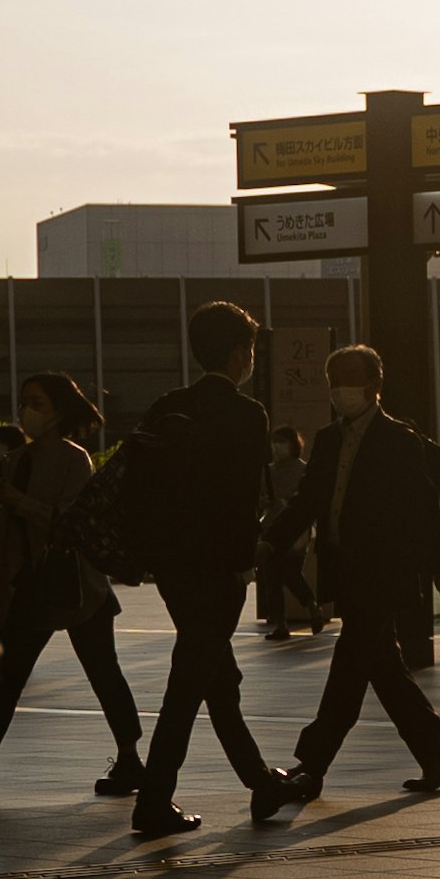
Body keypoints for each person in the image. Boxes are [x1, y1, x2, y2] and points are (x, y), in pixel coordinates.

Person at [113, 300, 289, 841]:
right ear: (241, 355)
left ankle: (260, 780)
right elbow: (240, 500)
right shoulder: (247, 414)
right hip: (218, 569)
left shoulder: (170, 404)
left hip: (171, 566)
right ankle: (155, 800)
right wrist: (245, 562)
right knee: (190, 682)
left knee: (216, 674)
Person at [276, 342, 440, 803]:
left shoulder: (400, 441)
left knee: (349, 666)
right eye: (334, 380)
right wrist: (271, 538)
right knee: (385, 671)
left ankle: (312, 763)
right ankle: (439, 757)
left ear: (375, 385)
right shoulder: (327, 440)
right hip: (346, 570)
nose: (341, 389)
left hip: (384, 573)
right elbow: (309, 500)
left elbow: (423, 509)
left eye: (350, 378)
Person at [0, 369, 141, 797]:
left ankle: (130, 757)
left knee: (103, 672)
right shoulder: (16, 459)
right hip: (29, 586)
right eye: (24, 402)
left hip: (77, 584)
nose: (27, 412)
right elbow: (6, 534)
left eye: (37, 404)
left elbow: (71, 521)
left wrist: (24, 503)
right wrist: (2, 584)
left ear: (58, 411)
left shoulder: (76, 459)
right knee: (6, 674)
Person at [254, 420, 312, 639]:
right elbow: (258, 498)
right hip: (269, 528)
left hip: (294, 529)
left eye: (282, 442)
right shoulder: (267, 472)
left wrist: (286, 502)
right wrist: (267, 502)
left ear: (292, 445)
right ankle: (281, 622)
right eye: (274, 443)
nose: (276, 447)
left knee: (290, 572)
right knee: (272, 577)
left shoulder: (303, 470)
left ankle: (309, 605)